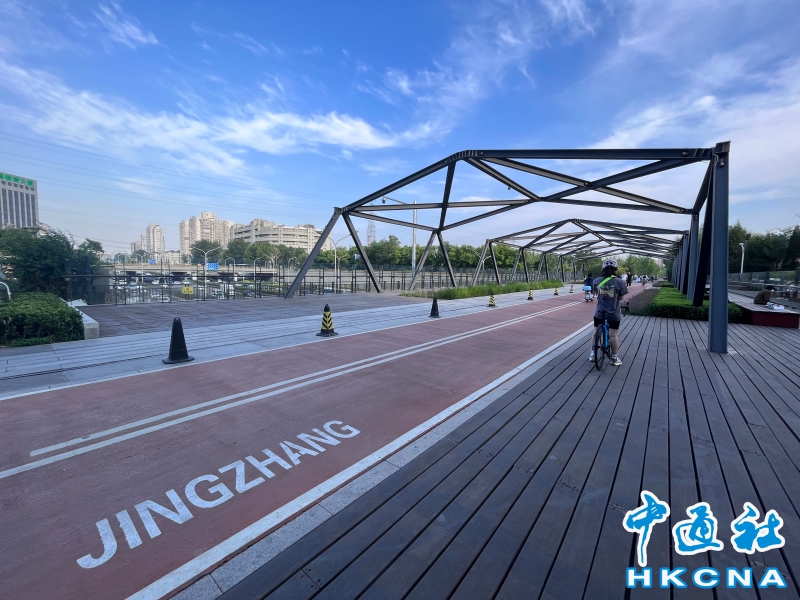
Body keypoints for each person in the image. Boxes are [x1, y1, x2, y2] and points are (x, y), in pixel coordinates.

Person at [590, 259, 628, 366]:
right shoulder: (620, 282)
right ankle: (614, 358)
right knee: (613, 335)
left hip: (599, 312)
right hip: (613, 313)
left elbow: (595, 293)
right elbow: (621, 298)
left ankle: (593, 355)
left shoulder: (597, 281)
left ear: (603, 269)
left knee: (595, 332)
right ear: (616, 270)